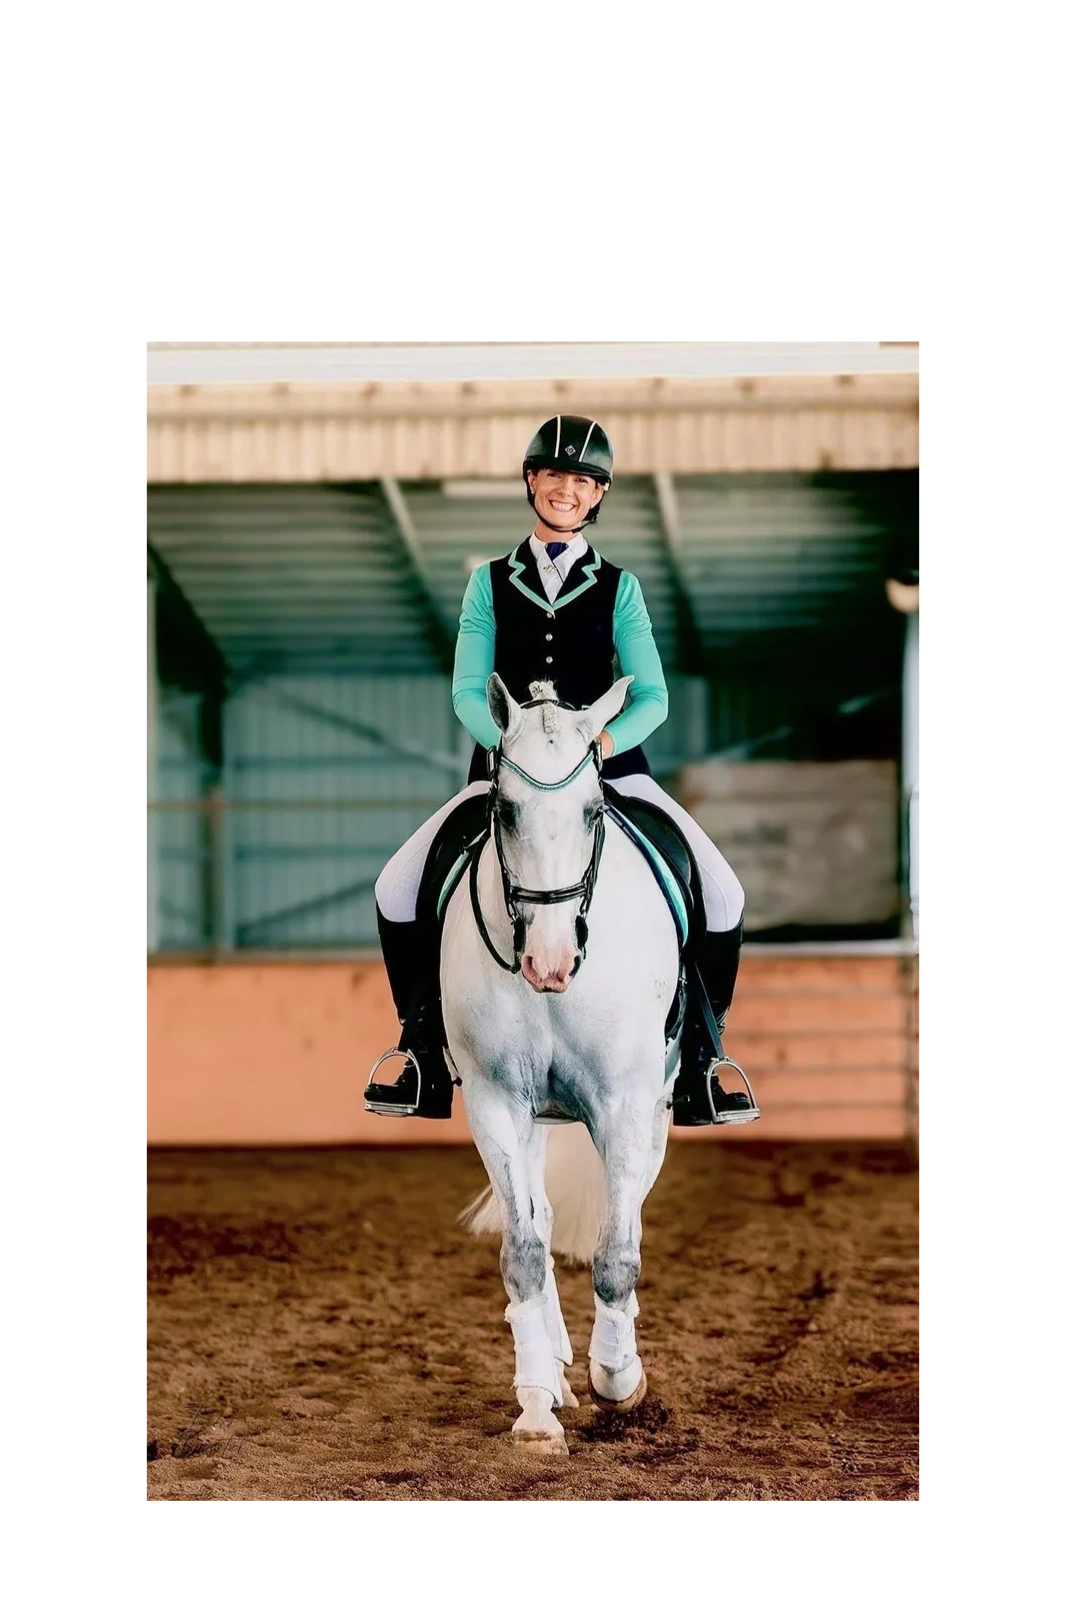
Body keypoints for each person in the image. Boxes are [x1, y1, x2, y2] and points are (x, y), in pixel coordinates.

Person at [365, 415, 754, 1127]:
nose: (567, 490)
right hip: (505, 775)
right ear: (530, 481)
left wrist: (598, 746)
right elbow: (464, 688)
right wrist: (510, 748)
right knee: (396, 887)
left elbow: (653, 695)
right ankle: (420, 1048)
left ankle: (705, 1056)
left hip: (611, 771)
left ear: (597, 493)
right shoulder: (488, 582)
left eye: (584, 480)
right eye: (555, 475)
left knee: (723, 894)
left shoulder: (619, 587)